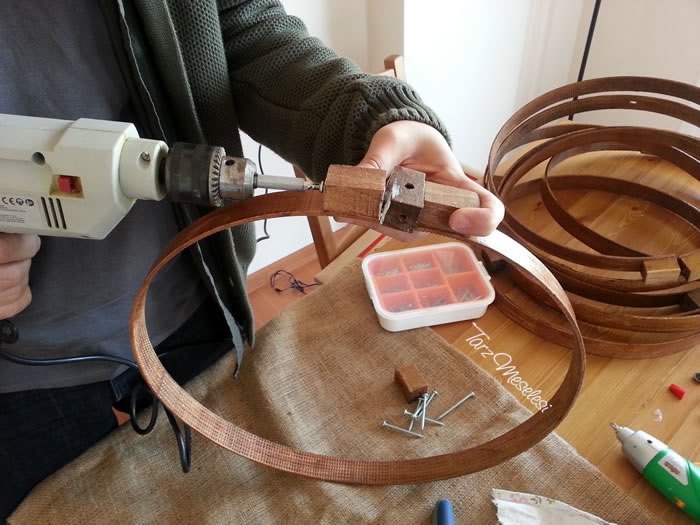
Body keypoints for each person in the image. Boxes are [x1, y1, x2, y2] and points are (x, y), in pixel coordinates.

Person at [0, 0, 504, 519]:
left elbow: (239, 25)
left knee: (223, 488)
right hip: (19, 382)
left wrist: (371, 122)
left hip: (197, 296)